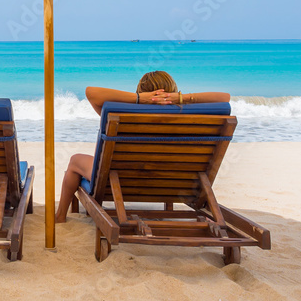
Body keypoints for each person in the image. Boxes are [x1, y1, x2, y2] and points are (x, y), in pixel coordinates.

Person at [55, 71, 231, 224]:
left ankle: (60, 216)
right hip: (175, 180)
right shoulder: (192, 116)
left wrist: (138, 100)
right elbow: (225, 98)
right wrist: (182, 98)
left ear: (140, 91)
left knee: (75, 161)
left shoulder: (123, 114)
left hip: (120, 180)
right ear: (174, 89)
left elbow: (91, 92)